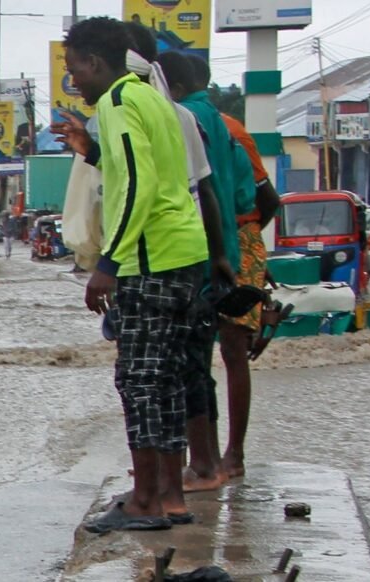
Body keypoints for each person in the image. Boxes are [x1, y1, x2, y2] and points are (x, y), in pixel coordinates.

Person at [52, 17, 209, 532]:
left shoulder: (118, 103)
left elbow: (139, 186)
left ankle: (144, 501)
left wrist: (109, 263)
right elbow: (148, 170)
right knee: (166, 379)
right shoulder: (149, 97)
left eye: (75, 70)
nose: (74, 82)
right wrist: (91, 150)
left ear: (96, 63)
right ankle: (170, 496)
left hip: (150, 257)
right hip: (185, 252)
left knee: (138, 380)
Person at [156, 50, 250, 493]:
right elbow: (252, 194)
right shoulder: (227, 125)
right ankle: (217, 458)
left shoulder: (178, 118)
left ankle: (202, 465)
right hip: (224, 250)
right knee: (211, 361)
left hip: (190, 253)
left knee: (186, 365)